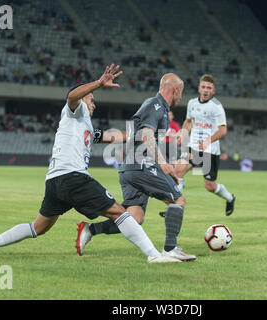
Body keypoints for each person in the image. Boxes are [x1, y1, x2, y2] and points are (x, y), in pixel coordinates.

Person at [0, 64, 180, 264]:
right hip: (73, 177)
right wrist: (99, 83)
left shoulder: (84, 125)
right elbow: (72, 96)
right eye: (91, 99)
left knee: (38, 227)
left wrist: (143, 133)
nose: (94, 104)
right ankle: (154, 255)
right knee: (120, 213)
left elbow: (111, 136)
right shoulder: (74, 110)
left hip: (54, 182)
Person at [76, 73, 196, 262]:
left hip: (131, 168)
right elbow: (147, 135)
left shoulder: (157, 108)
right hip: (142, 166)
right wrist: (163, 164)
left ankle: (91, 229)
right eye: (181, 92)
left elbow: (132, 136)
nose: (180, 97)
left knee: (134, 218)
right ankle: (170, 249)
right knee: (178, 200)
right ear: (175, 89)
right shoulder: (155, 105)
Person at [173, 74, 235, 216]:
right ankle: (177, 207)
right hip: (193, 148)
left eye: (209, 88)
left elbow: (223, 130)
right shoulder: (192, 103)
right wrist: (182, 133)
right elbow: (189, 121)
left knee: (209, 186)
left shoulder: (216, 107)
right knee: (178, 172)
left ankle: (230, 198)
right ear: (199, 88)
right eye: (203, 87)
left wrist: (207, 141)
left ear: (214, 91)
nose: (206, 90)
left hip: (210, 151)